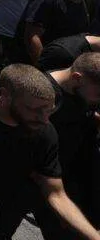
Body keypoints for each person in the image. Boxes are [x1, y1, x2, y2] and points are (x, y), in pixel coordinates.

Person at [0, 63, 100, 239]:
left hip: (1, 220)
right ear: (5, 96)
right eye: (35, 110)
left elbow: (55, 193)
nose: (44, 119)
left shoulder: (44, 133)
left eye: (49, 110)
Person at [42, 52, 100, 238]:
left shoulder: (84, 92)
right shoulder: (45, 98)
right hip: (48, 180)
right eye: (98, 94)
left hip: (80, 175)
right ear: (77, 78)